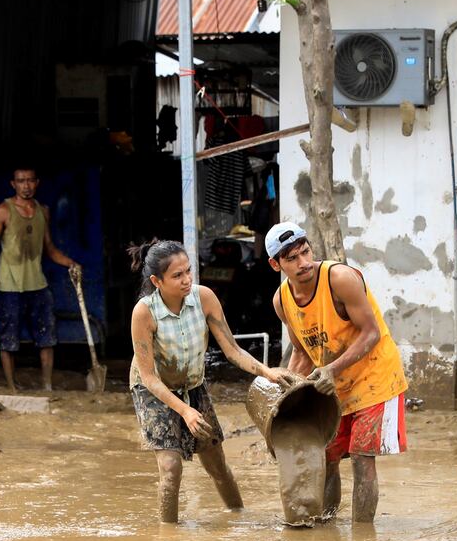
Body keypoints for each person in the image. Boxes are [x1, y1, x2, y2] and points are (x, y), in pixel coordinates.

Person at [129, 239, 302, 523]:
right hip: (154, 390)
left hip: (193, 384)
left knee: (216, 463)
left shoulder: (204, 298)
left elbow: (232, 350)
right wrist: (184, 411)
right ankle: (167, 535)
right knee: (171, 468)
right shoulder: (144, 312)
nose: (186, 280)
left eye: (188, 271)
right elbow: (148, 377)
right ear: (156, 281)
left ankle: (239, 518)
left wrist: (267, 371)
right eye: (177, 275)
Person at [265, 222, 408, 523]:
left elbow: (371, 333)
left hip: (375, 377)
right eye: (292, 259)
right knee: (325, 458)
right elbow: (303, 351)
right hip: (333, 383)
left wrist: (330, 369)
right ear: (275, 264)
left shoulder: (339, 279)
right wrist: (288, 393)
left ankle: (362, 540)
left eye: (306, 252)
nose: (304, 263)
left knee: (361, 457)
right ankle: (325, 526)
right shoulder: (282, 301)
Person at [0, 167, 82, 393]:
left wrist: (71, 263)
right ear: (13, 184)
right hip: (8, 286)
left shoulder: (42, 211)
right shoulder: (3, 211)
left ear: (37, 183)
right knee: (8, 340)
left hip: (38, 284)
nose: (26, 185)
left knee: (47, 337)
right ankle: (11, 386)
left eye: (30, 181)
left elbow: (50, 249)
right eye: (21, 181)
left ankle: (47, 385)